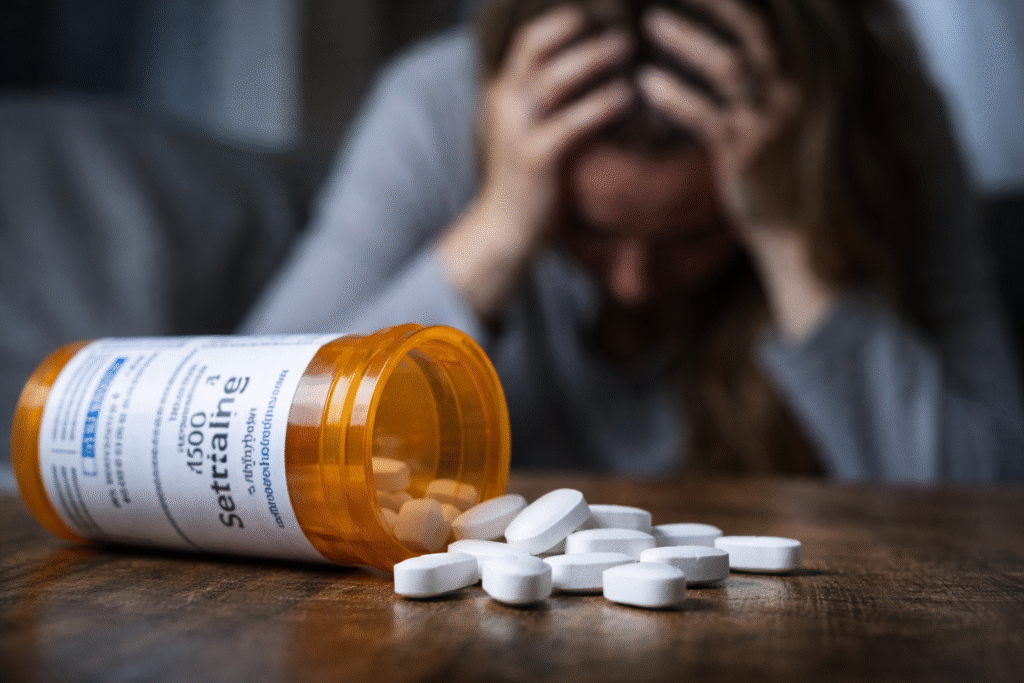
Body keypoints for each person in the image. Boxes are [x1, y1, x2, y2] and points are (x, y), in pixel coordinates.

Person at [242, 0, 1024, 481]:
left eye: (691, 236)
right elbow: (247, 432)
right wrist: (500, 232)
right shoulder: (439, 108)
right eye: (588, 228)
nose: (634, 284)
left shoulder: (888, 126)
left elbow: (987, 492)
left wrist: (792, 240)